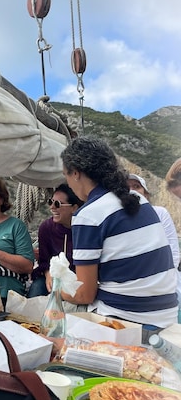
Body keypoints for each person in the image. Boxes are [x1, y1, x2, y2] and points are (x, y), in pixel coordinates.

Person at [59, 137, 178, 342]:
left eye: (66, 175)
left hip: (126, 324)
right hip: (166, 319)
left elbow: (85, 294)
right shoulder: (137, 198)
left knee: (56, 328)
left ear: (76, 173)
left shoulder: (88, 215)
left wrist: (57, 287)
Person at [28, 183, 83, 297]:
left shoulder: (85, 230)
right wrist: (48, 273)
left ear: (74, 208)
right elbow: (44, 260)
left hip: (79, 278)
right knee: (37, 288)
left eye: (57, 204)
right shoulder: (46, 228)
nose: (52, 207)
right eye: (50, 202)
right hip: (53, 275)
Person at [127, 174, 180, 269]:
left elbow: (172, 247)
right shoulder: (116, 219)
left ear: (146, 194)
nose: (132, 191)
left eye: (137, 186)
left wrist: (170, 273)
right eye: (126, 187)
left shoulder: (160, 213)